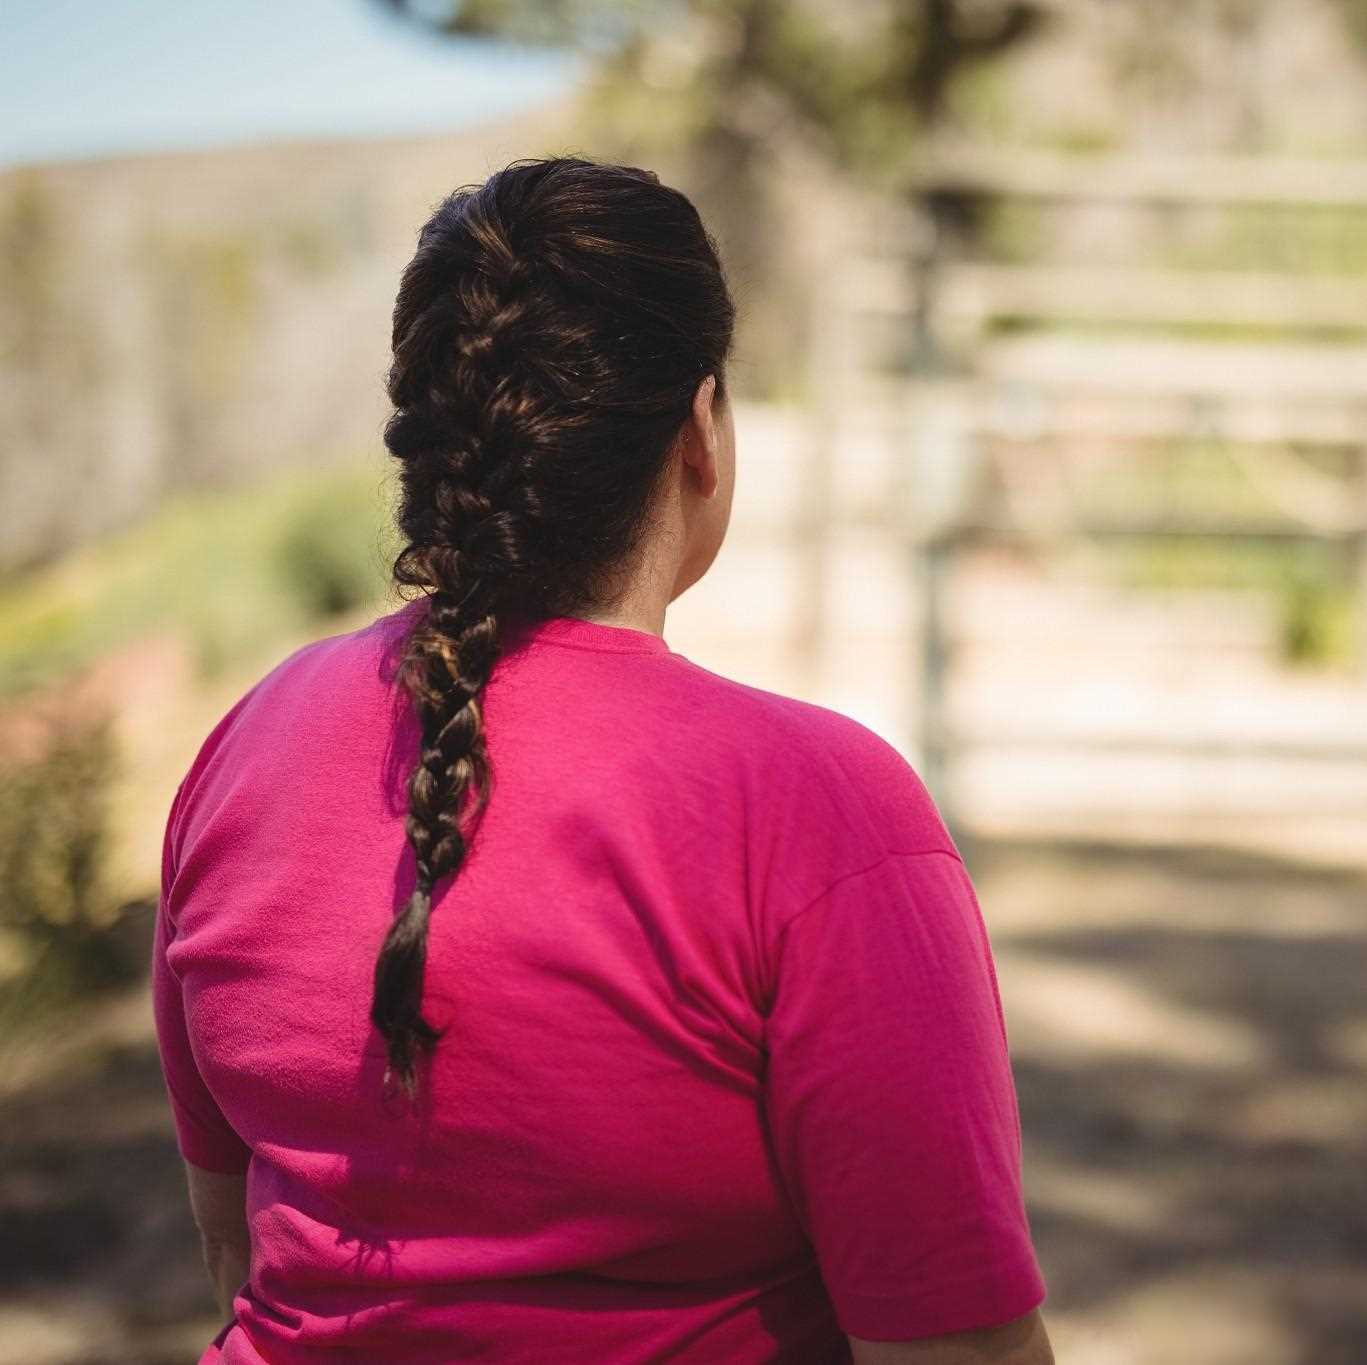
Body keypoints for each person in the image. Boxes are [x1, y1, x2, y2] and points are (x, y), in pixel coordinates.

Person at [152, 157, 1051, 1364]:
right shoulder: (818, 808)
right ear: (698, 430)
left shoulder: (243, 746)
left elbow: (233, 1244)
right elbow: (956, 1347)